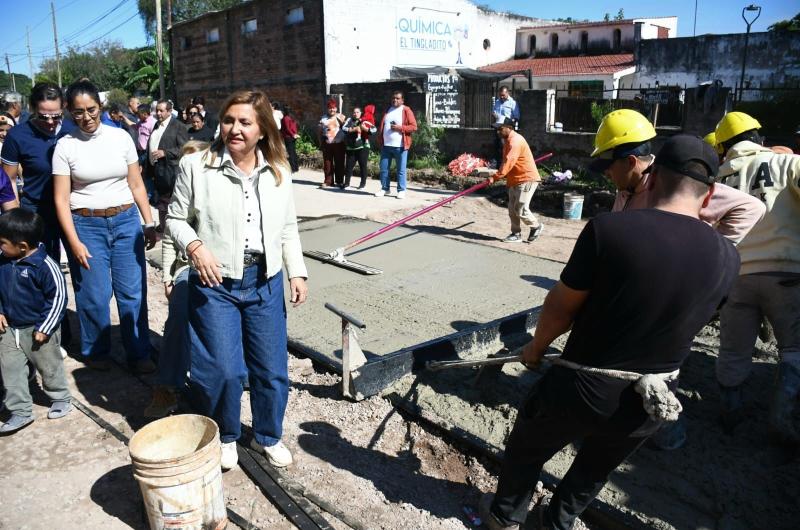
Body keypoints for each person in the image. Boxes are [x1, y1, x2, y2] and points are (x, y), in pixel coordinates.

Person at [479, 135, 740, 530]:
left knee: (527, 448)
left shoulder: (610, 230)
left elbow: (562, 307)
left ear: (651, 179)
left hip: (582, 386)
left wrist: (535, 348)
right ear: (711, 194)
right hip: (650, 398)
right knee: (596, 468)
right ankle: (557, 523)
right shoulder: (729, 257)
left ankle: (506, 517)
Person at [166, 89, 308, 471]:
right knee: (223, 370)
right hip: (215, 284)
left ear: (262, 128)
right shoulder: (198, 165)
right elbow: (175, 218)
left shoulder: (278, 171)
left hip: (264, 281)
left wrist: (296, 271)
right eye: (229, 120)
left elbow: (289, 228)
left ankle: (268, 436)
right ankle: (227, 434)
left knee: (271, 369)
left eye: (245, 122)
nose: (234, 129)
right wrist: (195, 247)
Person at [51, 80, 158, 374]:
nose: (86, 117)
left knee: (132, 292)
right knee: (94, 294)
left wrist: (148, 222)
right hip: (86, 224)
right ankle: (96, 352)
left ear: (101, 106)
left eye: (92, 109)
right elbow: (60, 199)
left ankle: (138, 352)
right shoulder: (65, 146)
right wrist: (73, 242)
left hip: (125, 222)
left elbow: (136, 183)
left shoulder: (121, 138)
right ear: (69, 112)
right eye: (78, 112)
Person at [712, 111, 800, 444]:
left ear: (723, 148)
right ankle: (784, 413)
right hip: (788, 275)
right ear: (759, 138)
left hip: (737, 277)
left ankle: (730, 413)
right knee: (793, 349)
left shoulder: (719, 178)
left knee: (733, 351)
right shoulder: (789, 165)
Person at [589, 109, 765, 246]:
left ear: (630, 162)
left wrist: (715, 249)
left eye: (608, 166)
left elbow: (751, 207)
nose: (606, 173)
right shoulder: (626, 187)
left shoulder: (674, 182)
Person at [144, 140, 209, 418]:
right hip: (188, 268)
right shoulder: (181, 196)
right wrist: (169, 274)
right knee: (179, 316)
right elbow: (170, 240)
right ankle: (168, 386)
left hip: (223, 267)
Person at [0, 209, 71, 434]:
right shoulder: (3, 262)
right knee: (9, 369)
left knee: (49, 366)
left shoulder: (45, 266)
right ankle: (20, 411)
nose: (0, 247)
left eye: (2, 243)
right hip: (9, 328)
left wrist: (46, 327)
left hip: (38, 329)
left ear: (21, 246)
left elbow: (58, 298)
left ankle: (60, 397)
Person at [486, 118, 543, 243]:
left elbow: (508, 162)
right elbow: (506, 163)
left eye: (500, 129)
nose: (498, 132)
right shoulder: (507, 140)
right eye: (497, 129)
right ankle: (516, 234)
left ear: (509, 128)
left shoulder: (515, 141)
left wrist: (495, 177)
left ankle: (536, 226)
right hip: (515, 180)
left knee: (521, 208)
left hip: (526, 178)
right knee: (512, 209)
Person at [148, 100, 189, 230]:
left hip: (170, 172)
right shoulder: (157, 125)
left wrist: (165, 152)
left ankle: (172, 229)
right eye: (157, 110)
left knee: (169, 203)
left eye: (161, 111)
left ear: (169, 111)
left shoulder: (178, 126)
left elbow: (184, 148)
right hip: (157, 170)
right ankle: (164, 227)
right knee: (161, 202)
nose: (158, 113)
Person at [376, 91, 417, 199]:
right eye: (393, 98)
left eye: (398, 98)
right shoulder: (388, 110)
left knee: (401, 169)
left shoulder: (406, 110)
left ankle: (401, 190)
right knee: (384, 168)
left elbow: (414, 126)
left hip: (400, 146)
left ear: (402, 100)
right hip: (386, 145)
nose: (395, 100)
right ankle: (385, 188)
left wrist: (400, 128)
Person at [342, 105, 376, 189]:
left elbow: (374, 130)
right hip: (351, 147)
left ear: (361, 113)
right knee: (349, 166)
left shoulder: (365, 121)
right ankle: (346, 184)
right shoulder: (349, 120)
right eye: (354, 112)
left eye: (357, 112)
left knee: (362, 166)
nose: (355, 114)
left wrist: (365, 129)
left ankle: (362, 184)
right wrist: (353, 129)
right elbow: (343, 128)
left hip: (363, 147)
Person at [318, 99, 346, 188]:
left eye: (333, 108)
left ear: (336, 108)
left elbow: (346, 128)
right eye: (330, 108)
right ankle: (328, 181)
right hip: (327, 144)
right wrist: (320, 143)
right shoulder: (323, 118)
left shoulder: (341, 117)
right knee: (327, 163)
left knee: (340, 163)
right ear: (327, 109)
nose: (332, 110)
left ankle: (339, 182)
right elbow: (319, 131)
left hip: (339, 144)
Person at [492, 86, 520, 162]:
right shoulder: (497, 102)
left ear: (508, 93)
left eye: (503, 95)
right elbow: (494, 111)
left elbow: (516, 117)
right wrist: (494, 114)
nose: (501, 97)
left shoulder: (513, 103)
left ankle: (506, 162)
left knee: (505, 146)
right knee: (497, 146)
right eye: (500, 95)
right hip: (498, 126)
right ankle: (497, 163)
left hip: (506, 128)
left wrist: (509, 123)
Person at [280, 105, 300, 173]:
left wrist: (292, 134)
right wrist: (295, 134)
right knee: (293, 152)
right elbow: (295, 127)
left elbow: (287, 128)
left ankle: (293, 168)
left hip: (288, 137)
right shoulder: (292, 117)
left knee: (290, 153)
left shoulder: (286, 118)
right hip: (293, 137)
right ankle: (296, 167)